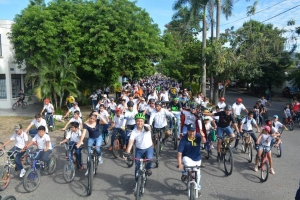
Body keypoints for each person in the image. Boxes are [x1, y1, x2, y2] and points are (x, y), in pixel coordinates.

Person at [124, 113, 153, 194]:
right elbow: (131, 142)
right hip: (139, 149)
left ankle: (149, 168)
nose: (139, 123)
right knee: (137, 164)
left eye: (141, 121)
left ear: (143, 122)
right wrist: (127, 152)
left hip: (148, 148)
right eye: (137, 121)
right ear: (135, 122)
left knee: (149, 159)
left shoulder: (146, 126)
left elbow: (149, 127)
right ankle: (137, 180)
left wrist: (148, 128)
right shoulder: (134, 131)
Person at [177, 124, 206, 192]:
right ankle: (185, 173)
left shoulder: (198, 136)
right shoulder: (183, 139)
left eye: (193, 131)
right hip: (187, 158)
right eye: (190, 131)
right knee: (190, 169)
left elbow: (204, 141)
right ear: (187, 131)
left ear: (195, 131)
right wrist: (180, 164)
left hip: (197, 159)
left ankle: (197, 187)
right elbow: (179, 153)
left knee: (198, 175)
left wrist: (203, 135)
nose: (192, 133)